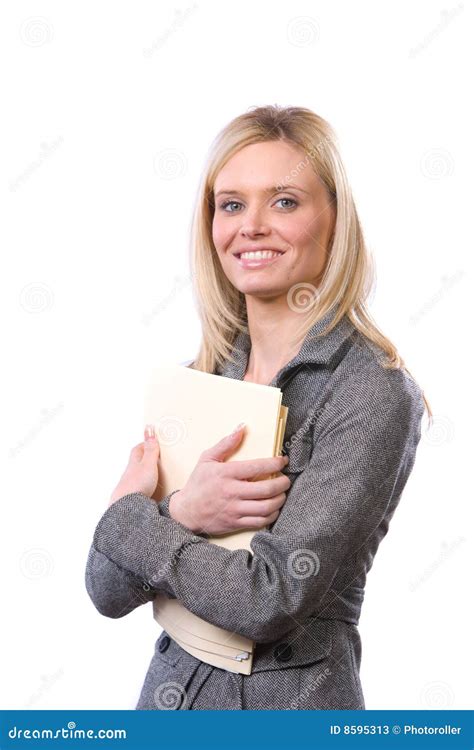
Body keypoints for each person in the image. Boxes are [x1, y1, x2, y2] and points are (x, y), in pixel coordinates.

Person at [85, 105, 431, 710]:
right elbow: (106, 589)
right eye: (232, 204)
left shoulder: (370, 391)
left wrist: (134, 518)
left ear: (335, 220)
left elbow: (267, 599)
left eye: (286, 202)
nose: (252, 227)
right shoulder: (202, 377)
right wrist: (186, 510)